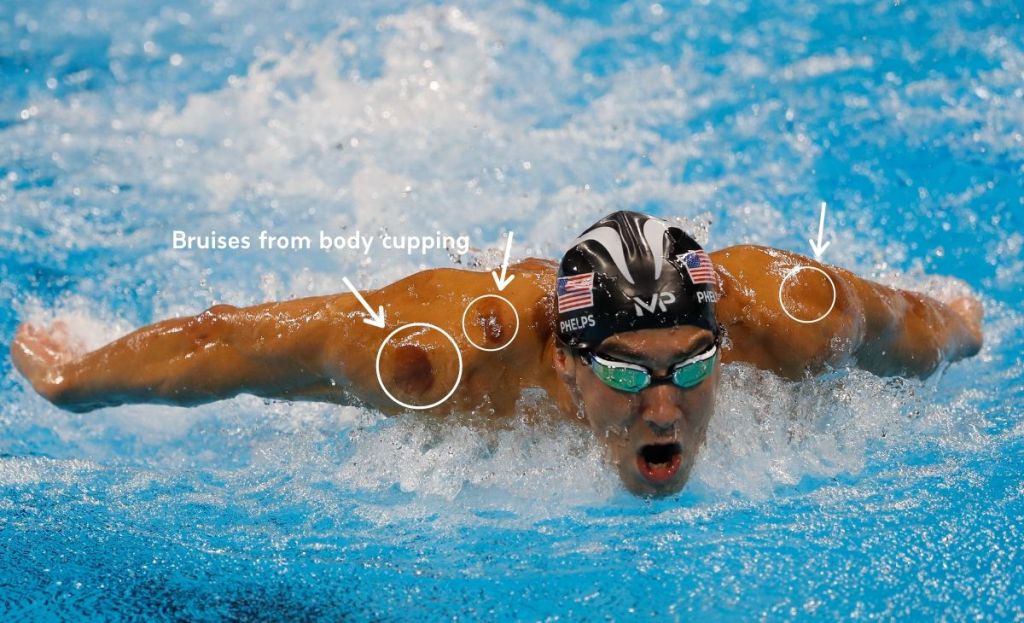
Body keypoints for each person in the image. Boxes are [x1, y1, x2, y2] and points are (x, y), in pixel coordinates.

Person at [10, 211, 983, 495]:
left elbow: (921, 325)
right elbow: (230, 344)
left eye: (691, 366)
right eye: (620, 370)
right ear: (562, 363)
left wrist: (966, 321)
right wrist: (75, 380)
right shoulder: (436, 359)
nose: (661, 407)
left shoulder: (792, 321)